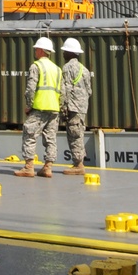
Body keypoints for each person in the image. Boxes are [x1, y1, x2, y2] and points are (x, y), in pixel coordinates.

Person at [15, 36, 62, 178]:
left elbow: (30, 89)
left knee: (29, 134)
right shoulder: (57, 69)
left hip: (40, 107)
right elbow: (62, 92)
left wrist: (29, 106)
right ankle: (48, 167)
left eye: (36, 49)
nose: (35, 51)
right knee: (51, 138)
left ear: (41, 50)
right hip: (54, 108)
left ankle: (29, 167)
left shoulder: (36, 66)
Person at [59, 36, 92, 174]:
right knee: (79, 133)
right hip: (82, 107)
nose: (63, 53)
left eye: (65, 51)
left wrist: (62, 106)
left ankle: (78, 165)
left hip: (72, 107)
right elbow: (89, 90)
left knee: (74, 134)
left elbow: (64, 89)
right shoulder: (84, 69)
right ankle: (78, 163)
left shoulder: (67, 68)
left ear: (70, 53)